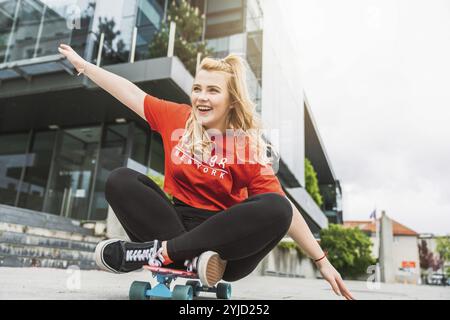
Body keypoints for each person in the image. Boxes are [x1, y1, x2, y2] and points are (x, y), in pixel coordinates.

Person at [58, 44, 355, 299]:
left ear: (230, 100)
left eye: (213, 90)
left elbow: (284, 213)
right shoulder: (176, 117)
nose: (201, 97)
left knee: (279, 206)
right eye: (197, 88)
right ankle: (179, 256)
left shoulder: (244, 147)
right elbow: (130, 93)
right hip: (174, 223)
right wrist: (86, 67)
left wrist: (322, 261)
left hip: (224, 248)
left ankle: (159, 253)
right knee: (120, 180)